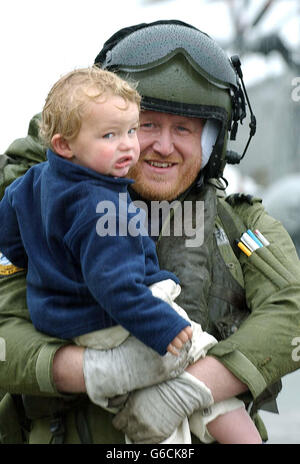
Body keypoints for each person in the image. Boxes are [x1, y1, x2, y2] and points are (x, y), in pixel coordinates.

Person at [0, 20, 300, 445]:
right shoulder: (46, 207)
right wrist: (97, 371)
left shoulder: (238, 224)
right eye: (147, 124)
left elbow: (292, 310)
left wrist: (191, 390)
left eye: (184, 129)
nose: (163, 145)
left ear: (211, 141)